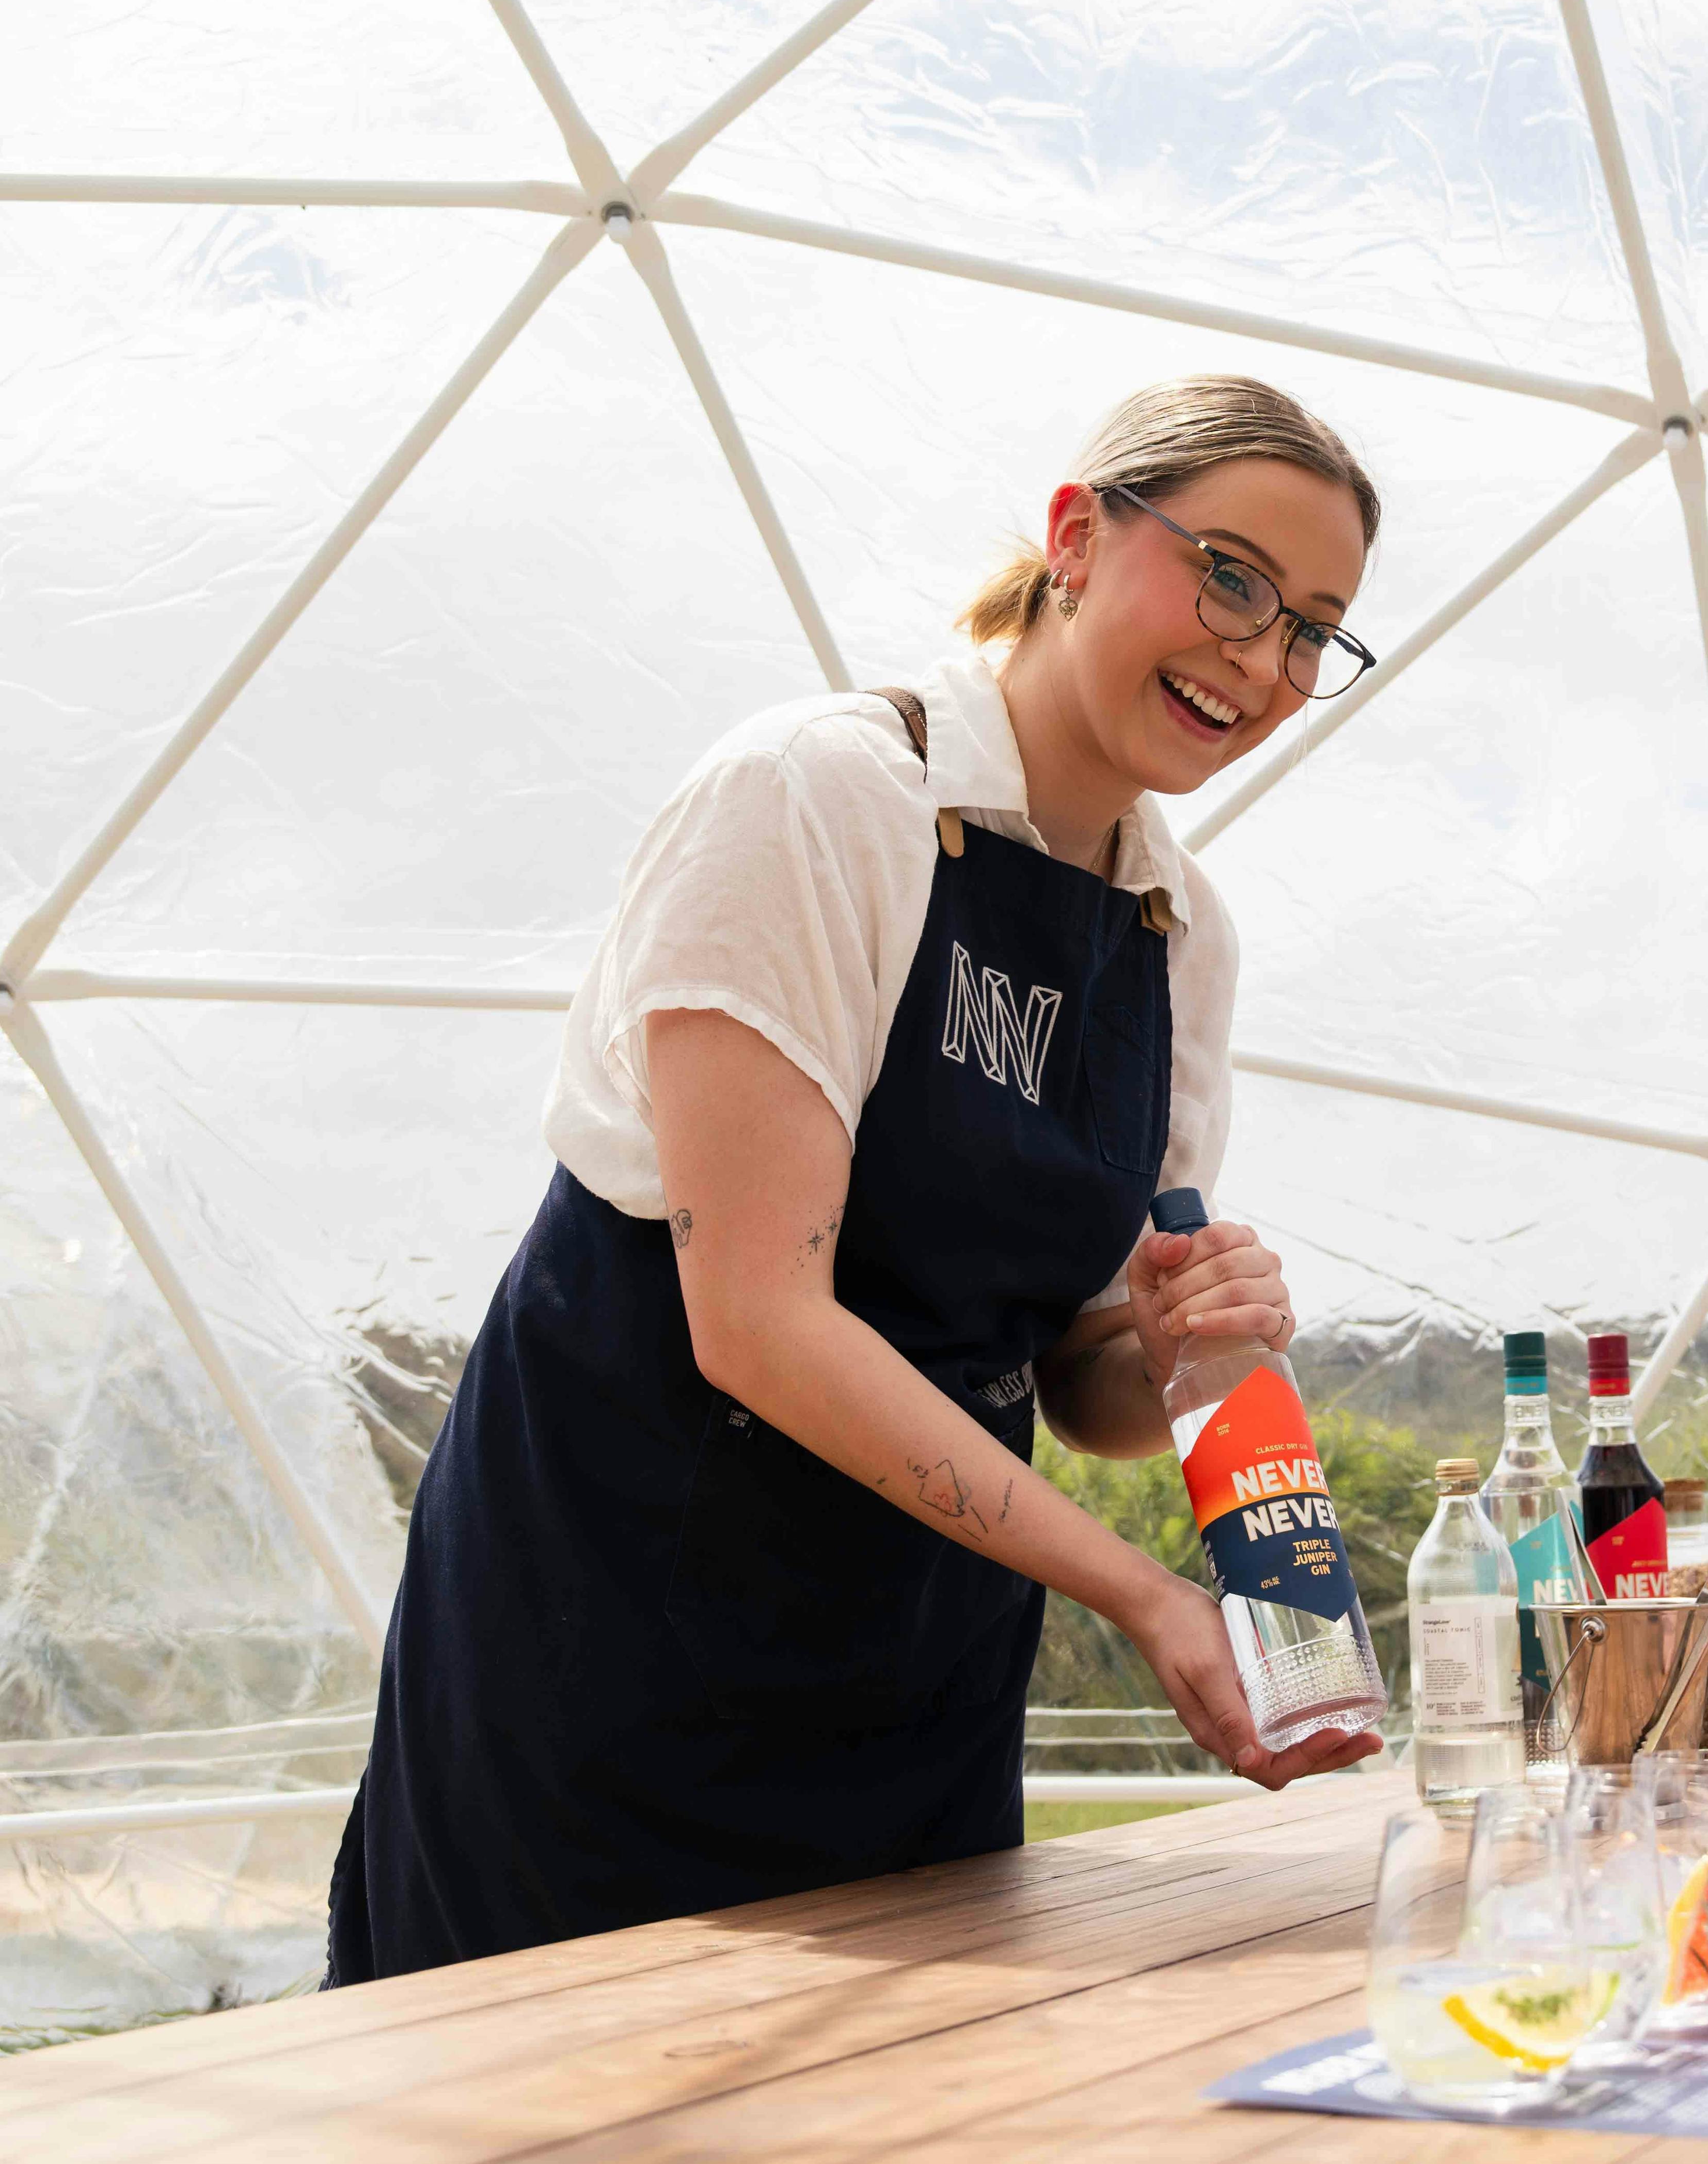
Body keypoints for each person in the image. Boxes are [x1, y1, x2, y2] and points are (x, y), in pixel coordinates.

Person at [330, 376, 1388, 1985]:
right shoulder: (817, 797)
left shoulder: (1180, 933)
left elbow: (1080, 1381)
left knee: (911, 2116)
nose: (1262, 659)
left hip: (917, 1679)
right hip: (616, 1636)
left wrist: (1172, 1345)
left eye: (1314, 630)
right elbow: (757, 1321)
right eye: (1231, 578)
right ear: (1076, 538)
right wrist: (1148, 1599)